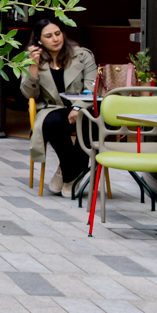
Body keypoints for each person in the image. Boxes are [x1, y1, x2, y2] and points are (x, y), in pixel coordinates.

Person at [23, 16, 98, 196]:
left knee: (94, 120)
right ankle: (72, 175)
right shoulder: (31, 59)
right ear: (39, 40)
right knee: (52, 123)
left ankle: (64, 172)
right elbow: (30, 95)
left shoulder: (82, 55)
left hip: (83, 107)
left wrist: (78, 107)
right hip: (52, 108)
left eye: (58, 34)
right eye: (48, 36)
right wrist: (33, 65)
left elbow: (92, 87)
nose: (55, 39)